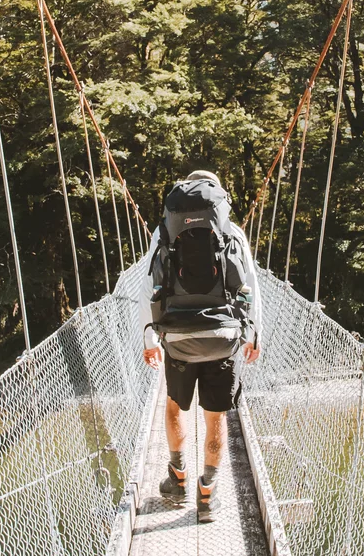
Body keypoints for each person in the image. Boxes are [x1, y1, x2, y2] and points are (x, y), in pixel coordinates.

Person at [142, 170, 261, 524]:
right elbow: (251, 285)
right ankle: (207, 492)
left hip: (176, 339)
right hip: (224, 339)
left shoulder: (163, 232)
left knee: (175, 406)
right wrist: (253, 334)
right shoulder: (231, 232)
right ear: (218, 196)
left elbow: (148, 286)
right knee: (216, 417)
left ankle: (177, 478)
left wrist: (149, 338)